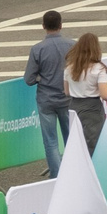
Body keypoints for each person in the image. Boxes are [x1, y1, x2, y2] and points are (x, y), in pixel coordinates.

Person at [24, 9, 75, 175]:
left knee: (51, 141)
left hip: (46, 99)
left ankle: (56, 176)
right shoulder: (72, 45)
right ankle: (74, 172)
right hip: (67, 97)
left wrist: (42, 79)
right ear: (61, 25)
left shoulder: (37, 49)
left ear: (43, 26)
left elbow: (29, 79)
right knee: (71, 138)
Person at [63, 30, 107, 151]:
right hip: (92, 108)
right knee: (94, 144)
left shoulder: (69, 68)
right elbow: (105, 94)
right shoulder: (99, 68)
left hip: (74, 106)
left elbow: (67, 92)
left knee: (77, 144)